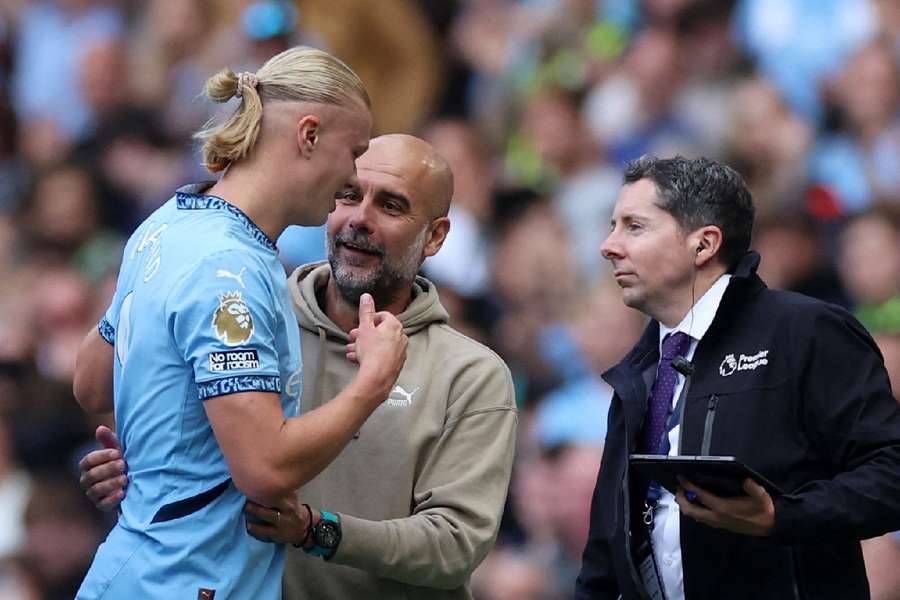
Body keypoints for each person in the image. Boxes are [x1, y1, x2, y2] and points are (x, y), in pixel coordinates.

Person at [78, 134, 518, 599]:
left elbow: (454, 546)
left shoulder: (471, 375)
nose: (360, 219)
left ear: (435, 235)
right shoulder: (243, 314)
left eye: (390, 206)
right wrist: (136, 472)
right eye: (349, 195)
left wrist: (316, 531)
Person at [72, 47, 409, 599]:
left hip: (140, 565)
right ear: (308, 134)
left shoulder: (172, 218)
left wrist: (160, 454)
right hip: (183, 579)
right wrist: (372, 385)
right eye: (353, 153)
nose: (351, 177)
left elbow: (91, 383)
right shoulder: (231, 270)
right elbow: (264, 469)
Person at [575, 155, 900, 600]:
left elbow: (890, 473)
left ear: (703, 244)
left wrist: (782, 517)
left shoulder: (805, 332)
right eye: (614, 226)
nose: (608, 246)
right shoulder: (640, 367)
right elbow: (606, 551)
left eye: (634, 226)